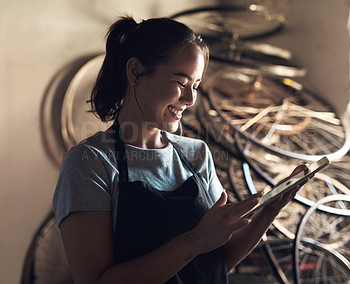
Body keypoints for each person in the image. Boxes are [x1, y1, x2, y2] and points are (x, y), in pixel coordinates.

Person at [52, 15, 307, 284]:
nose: (189, 99)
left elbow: (216, 263)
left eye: (195, 86)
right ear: (135, 71)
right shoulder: (90, 163)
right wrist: (194, 242)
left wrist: (269, 212)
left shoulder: (196, 154)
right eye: (181, 83)